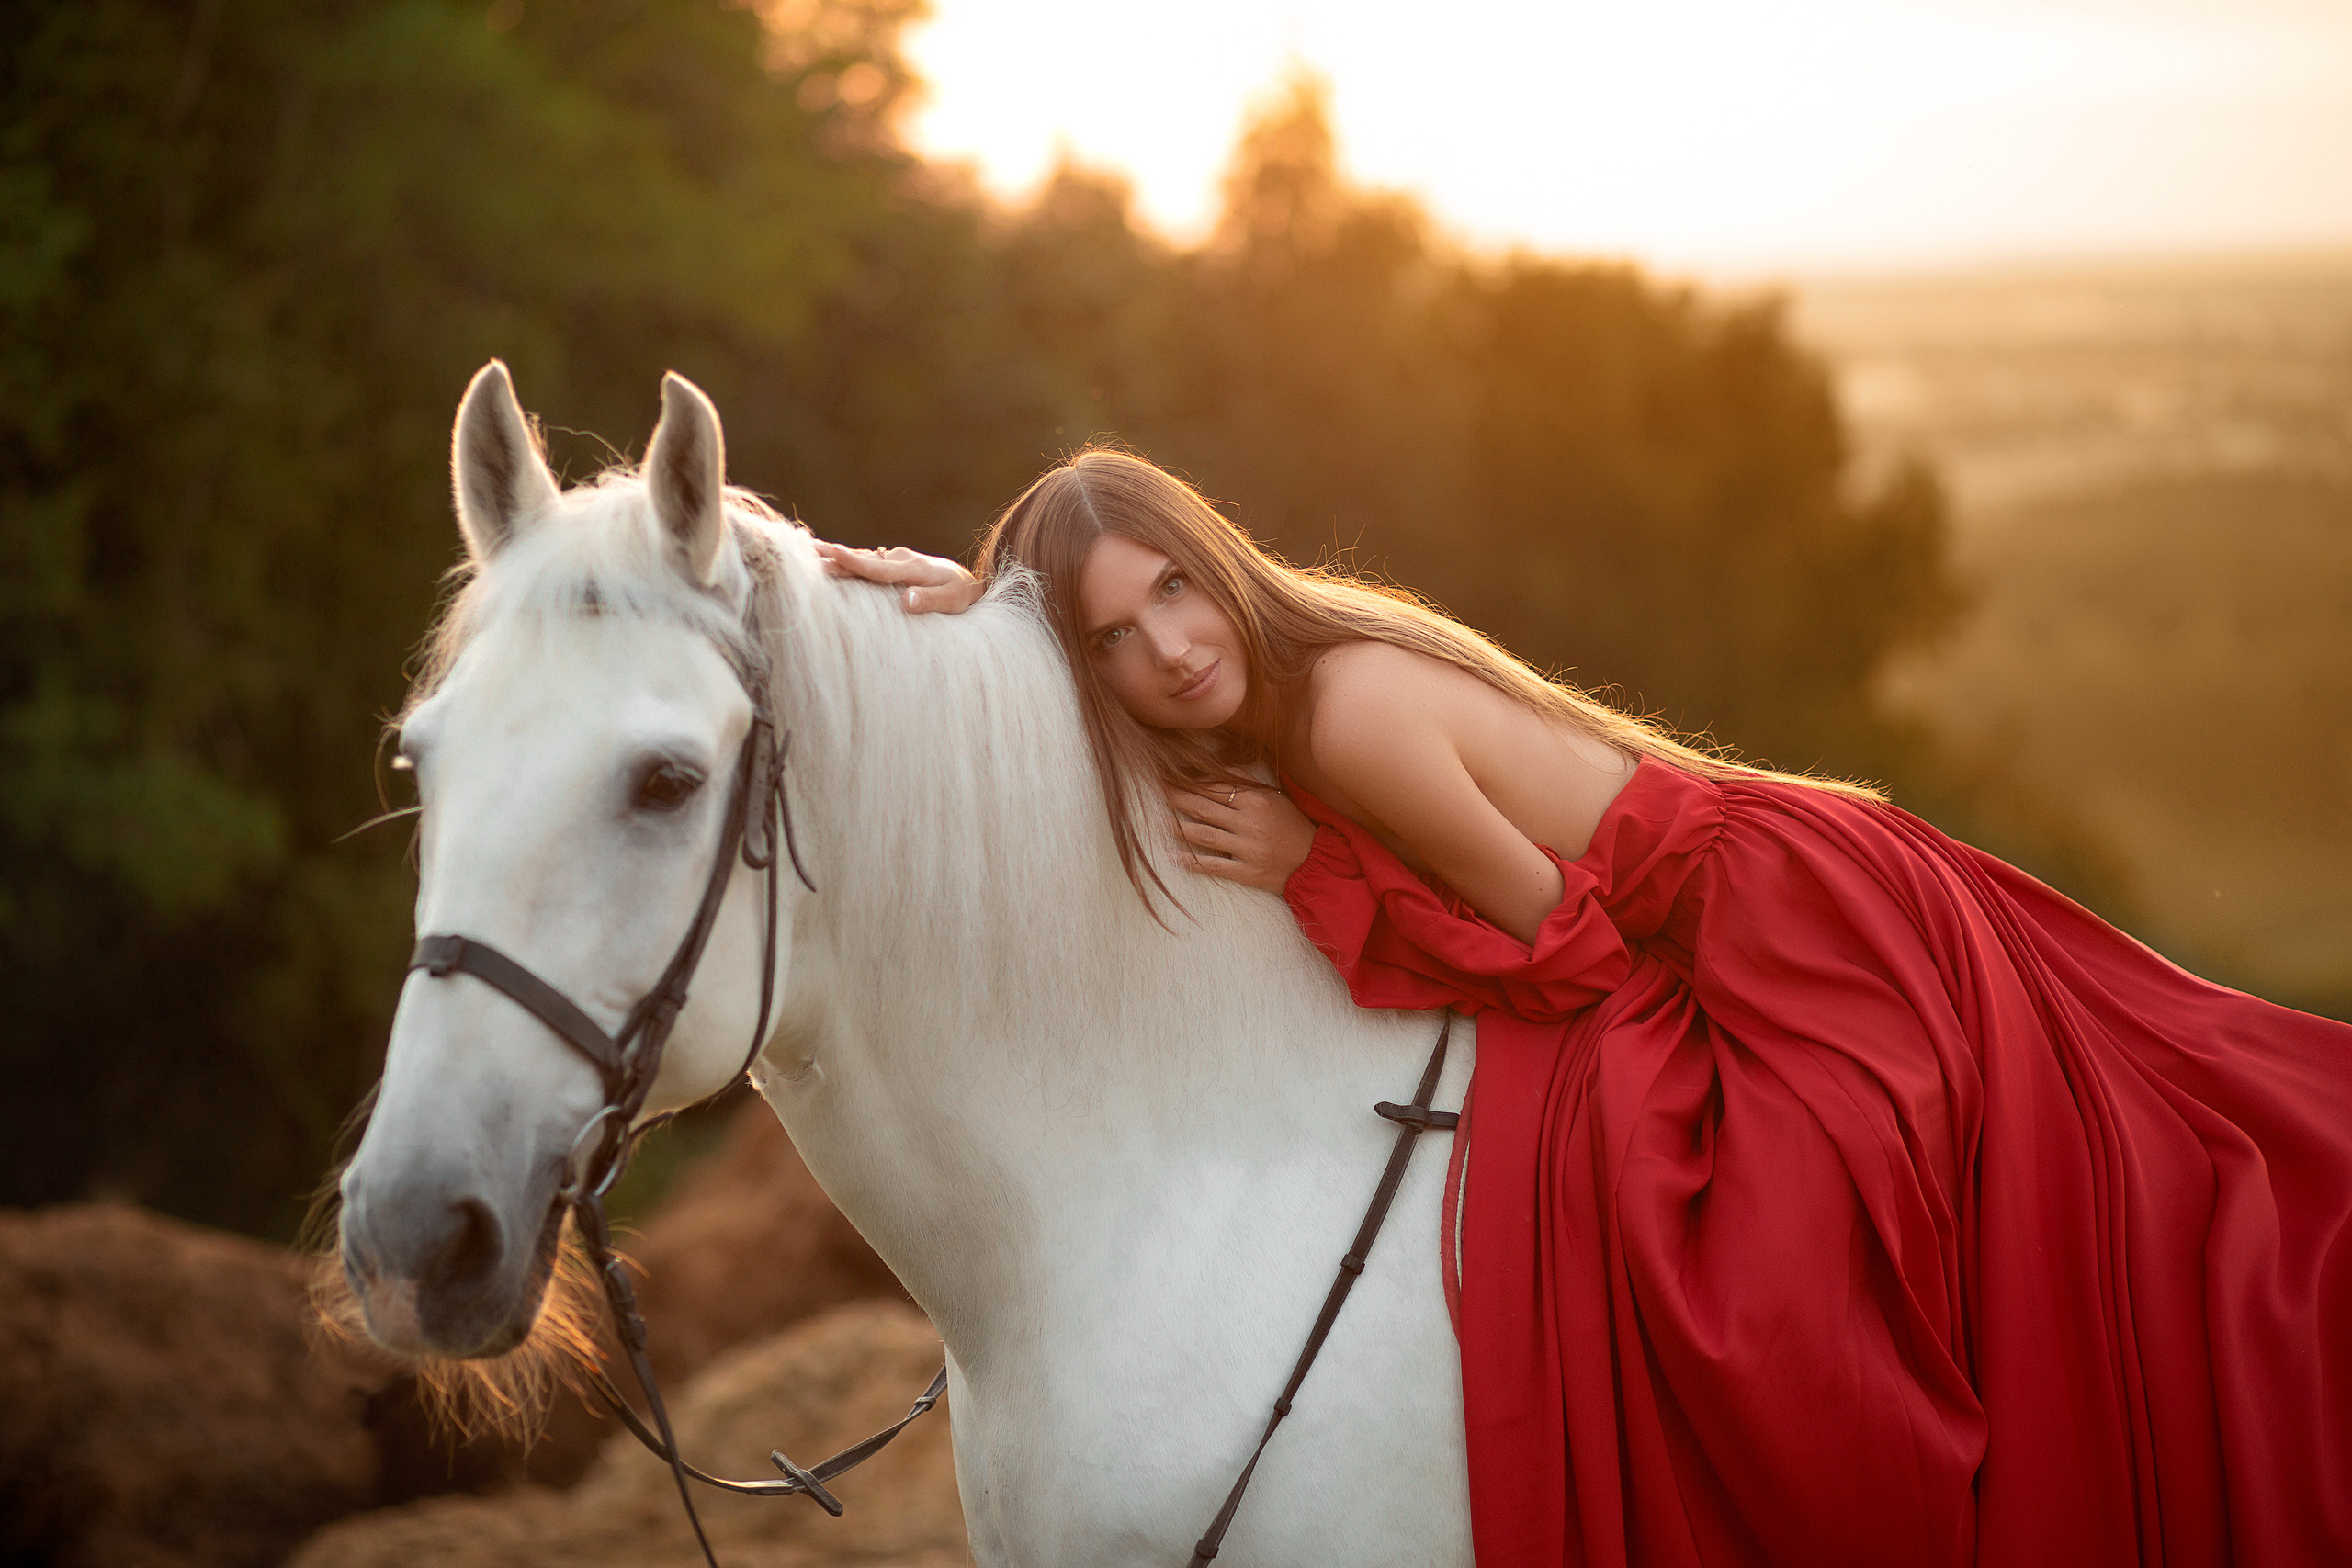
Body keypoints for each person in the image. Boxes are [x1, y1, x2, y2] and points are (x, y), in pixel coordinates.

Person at [819, 448, 2352, 1568]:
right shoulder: (1287, 663)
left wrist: (1312, 877)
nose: (1167, 650)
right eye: (1107, 639)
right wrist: (959, 601)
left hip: (1781, 934)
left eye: (1172, 590)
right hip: (1753, 894)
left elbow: (1571, 954)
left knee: (1769, 1244)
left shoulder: (1344, 718)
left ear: (1214, 560)